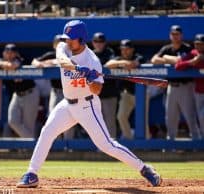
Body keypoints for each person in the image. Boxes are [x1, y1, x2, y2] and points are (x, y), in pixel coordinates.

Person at [16, 20, 161, 188]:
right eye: (66, 38)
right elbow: (63, 61)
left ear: (81, 39)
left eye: (71, 38)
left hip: (87, 106)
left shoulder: (93, 61)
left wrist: (91, 78)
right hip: (67, 104)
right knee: (47, 132)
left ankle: (144, 169)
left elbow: (97, 89)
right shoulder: (63, 47)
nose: (67, 41)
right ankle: (32, 173)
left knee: (106, 145)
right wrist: (79, 69)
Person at [151, 25, 200, 140]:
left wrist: (167, 59)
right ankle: (170, 144)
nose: (175, 36)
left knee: (190, 116)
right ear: (170, 35)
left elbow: (182, 61)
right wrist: (169, 59)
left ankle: (197, 142)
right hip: (171, 87)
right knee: (170, 117)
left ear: (181, 35)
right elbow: (154, 60)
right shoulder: (166, 48)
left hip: (186, 86)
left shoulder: (188, 48)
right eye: (173, 34)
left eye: (177, 34)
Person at [0, 44, 39, 138]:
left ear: (16, 54)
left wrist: (3, 64)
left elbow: (13, 65)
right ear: (3, 53)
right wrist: (2, 64)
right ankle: (33, 143)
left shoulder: (21, 59)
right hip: (17, 95)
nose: (9, 55)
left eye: (12, 53)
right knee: (12, 121)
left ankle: (29, 147)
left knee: (29, 125)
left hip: (30, 93)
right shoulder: (2, 61)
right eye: (7, 53)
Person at [32, 34, 76, 140]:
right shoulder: (51, 55)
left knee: (70, 119)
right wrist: (46, 63)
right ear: (54, 45)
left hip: (70, 92)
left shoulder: (71, 55)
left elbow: (66, 63)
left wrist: (53, 62)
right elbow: (34, 62)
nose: (61, 45)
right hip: (56, 91)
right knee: (53, 118)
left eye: (63, 43)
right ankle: (57, 144)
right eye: (58, 43)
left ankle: (69, 146)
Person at [106, 39, 150, 139]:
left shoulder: (138, 56)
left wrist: (125, 64)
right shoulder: (118, 58)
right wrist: (122, 62)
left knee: (143, 119)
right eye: (123, 49)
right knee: (121, 117)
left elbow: (134, 63)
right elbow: (108, 64)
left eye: (127, 49)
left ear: (132, 50)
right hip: (127, 94)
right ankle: (129, 139)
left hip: (141, 93)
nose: (125, 51)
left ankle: (147, 143)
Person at [175, 33, 204, 139]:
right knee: (201, 118)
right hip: (199, 92)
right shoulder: (193, 53)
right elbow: (178, 66)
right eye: (197, 44)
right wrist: (192, 62)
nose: (199, 46)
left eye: (201, 44)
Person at [92, 32, 118, 138]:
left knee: (109, 121)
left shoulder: (109, 52)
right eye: (96, 41)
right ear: (93, 43)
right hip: (94, 95)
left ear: (104, 43)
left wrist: (99, 68)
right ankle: (100, 146)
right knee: (96, 122)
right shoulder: (90, 54)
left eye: (101, 41)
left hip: (109, 93)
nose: (98, 44)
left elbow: (113, 62)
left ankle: (112, 145)